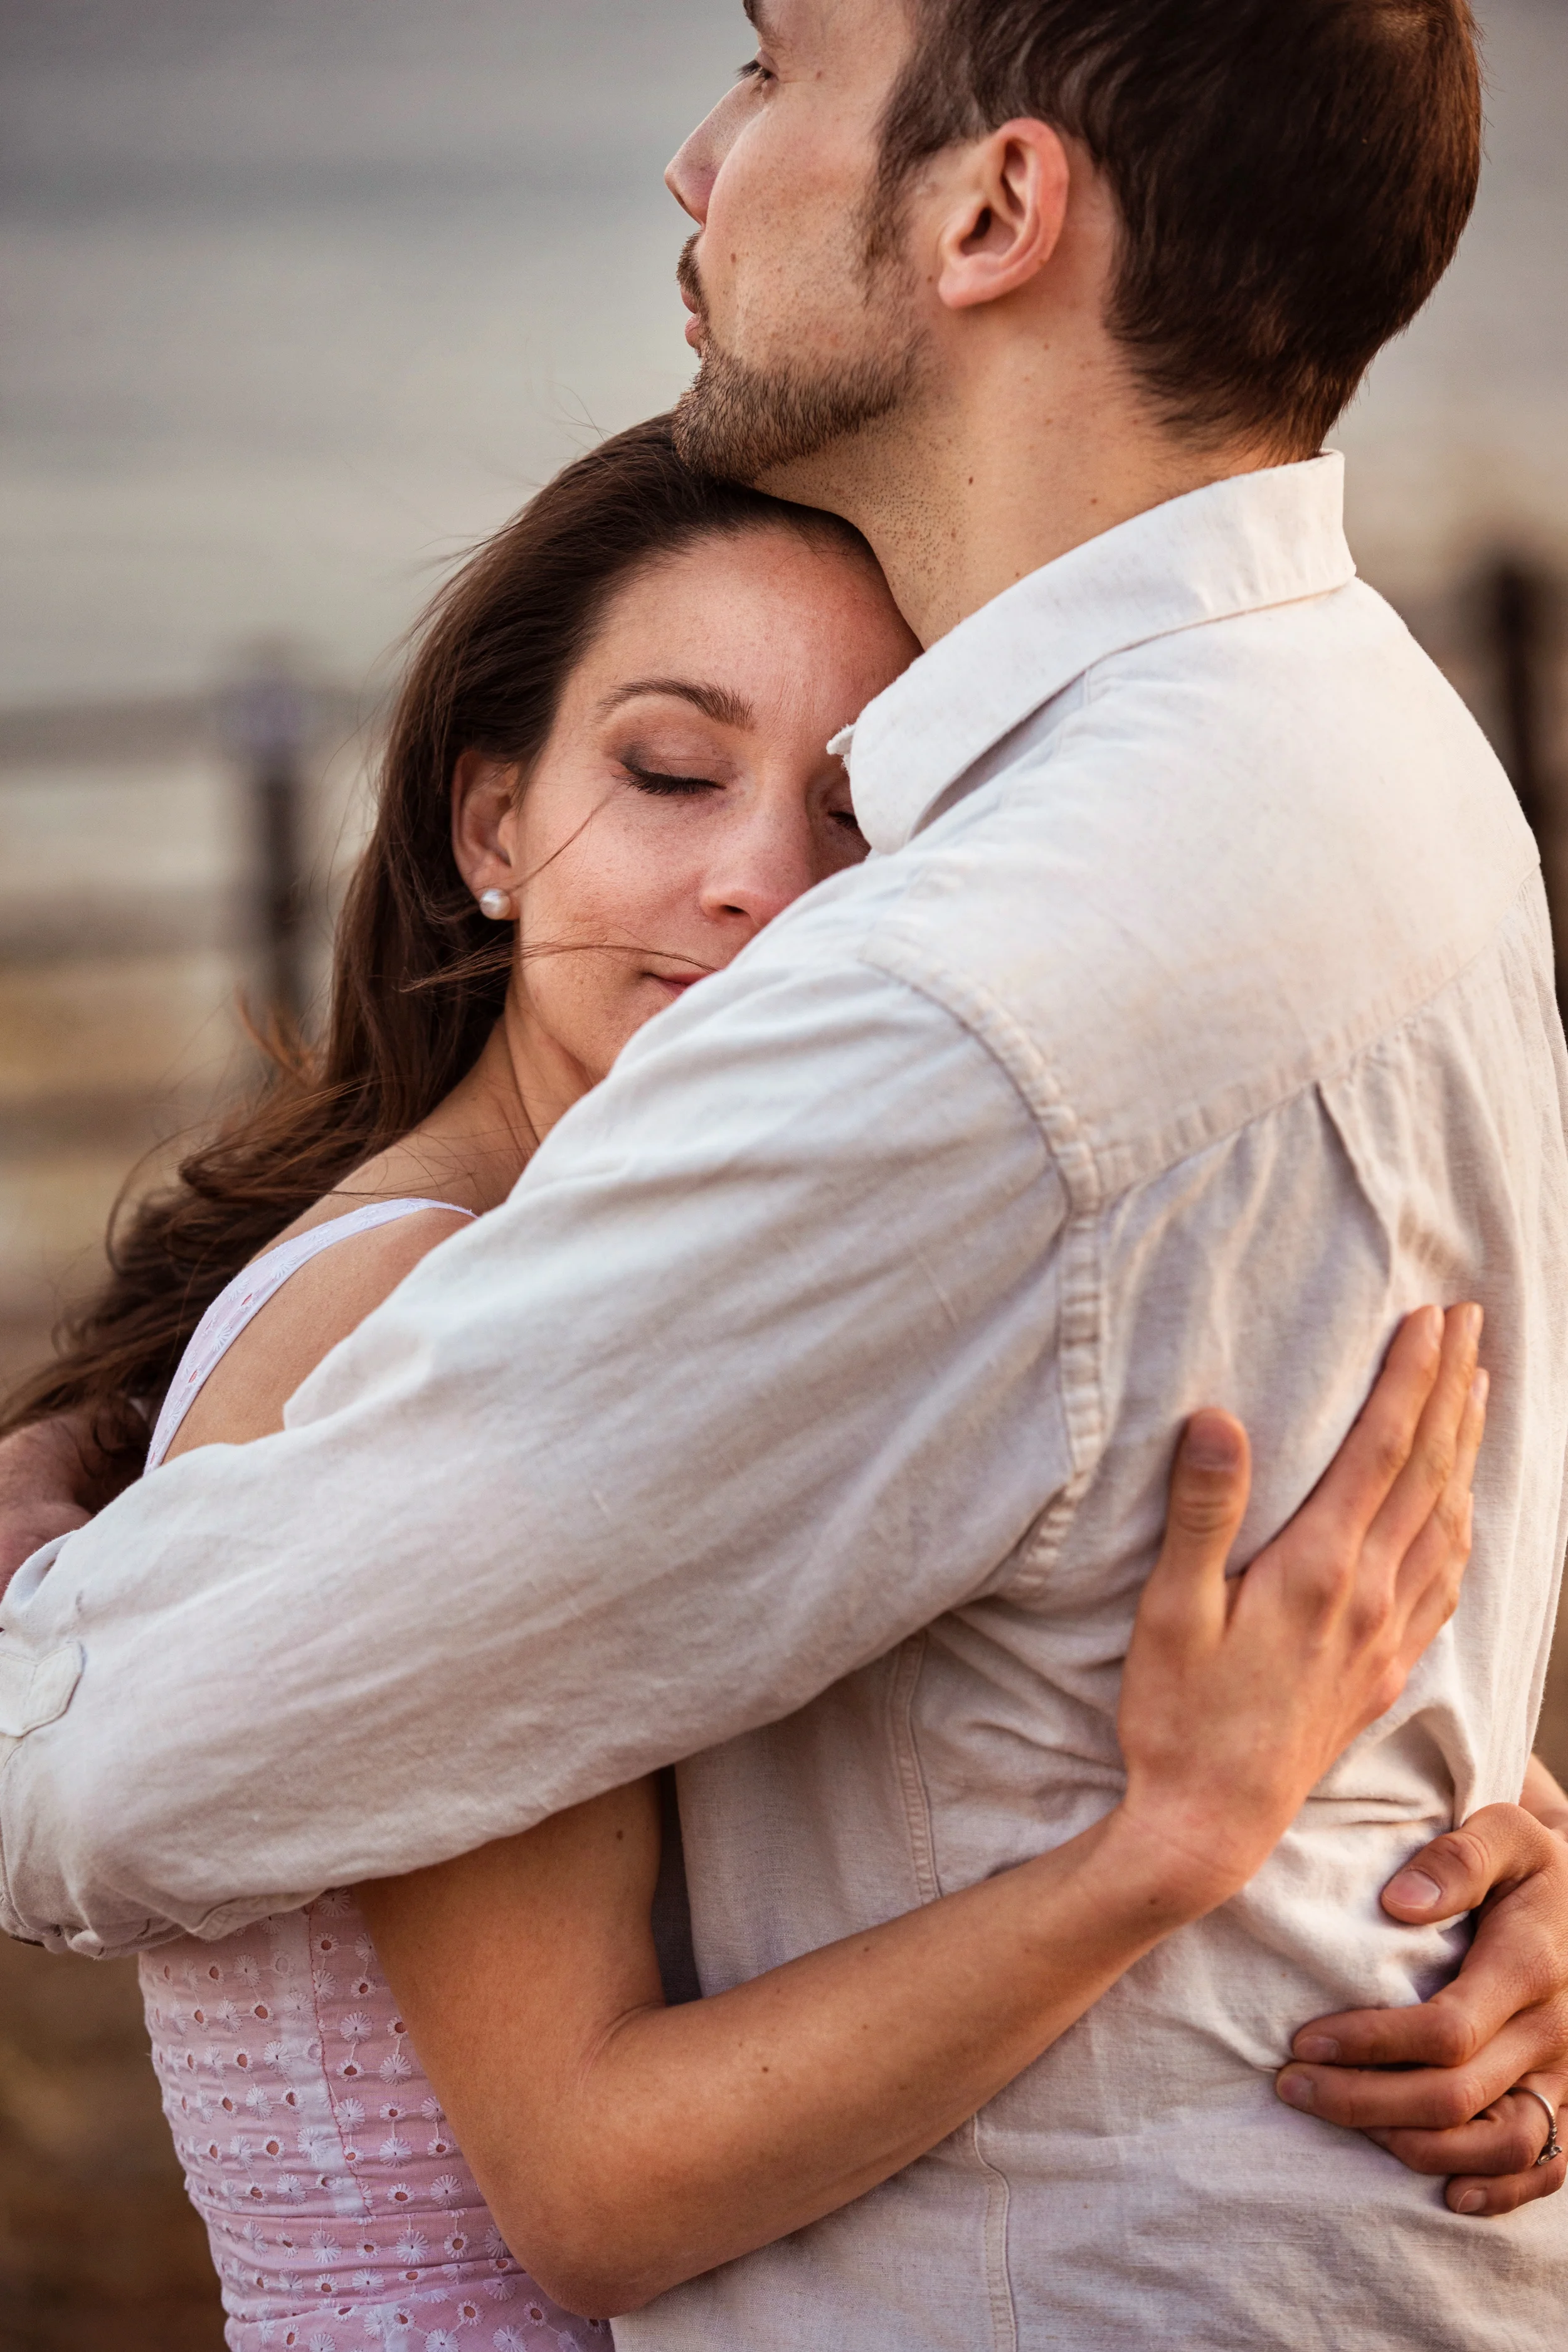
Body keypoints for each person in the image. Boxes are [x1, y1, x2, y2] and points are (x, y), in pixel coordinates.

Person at [3, 2, 1568, 2343]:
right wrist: (1310, 1834)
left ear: (993, 208)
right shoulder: (1381, 765)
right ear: (487, 821)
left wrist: (1435, 1818)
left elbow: (110, 1764)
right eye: (669, 770)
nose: (696, 161)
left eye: (768, 67)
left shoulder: (962, 996)